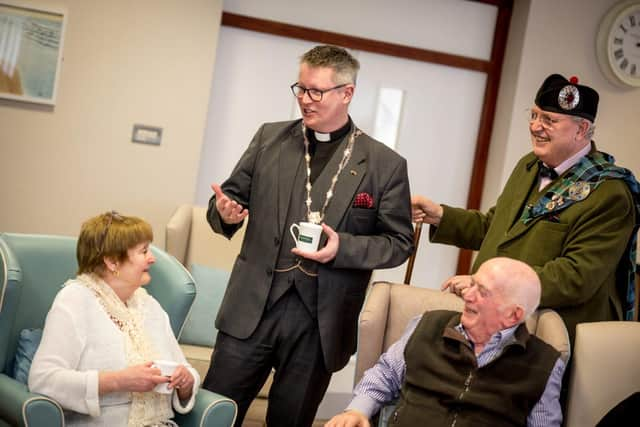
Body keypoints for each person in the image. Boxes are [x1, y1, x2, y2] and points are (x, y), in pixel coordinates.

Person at [202, 44, 414, 426]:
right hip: (252, 308)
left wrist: (343, 247)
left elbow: (399, 242)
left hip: (320, 322)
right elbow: (229, 200)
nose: (304, 100)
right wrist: (225, 212)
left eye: (316, 91)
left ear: (346, 93)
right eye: (300, 89)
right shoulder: (269, 139)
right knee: (214, 415)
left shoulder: (384, 165)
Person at [412, 73, 640, 345]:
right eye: (533, 115)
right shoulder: (528, 165)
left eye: (549, 120)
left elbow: (575, 277)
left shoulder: (610, 193)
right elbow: (497, 229)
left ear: (581, 130)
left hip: (550, 338)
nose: (535, 127)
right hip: (494, 323)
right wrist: (440, 216)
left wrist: (491, 288)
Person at [326, 257, 565, 427]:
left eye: (482, 291)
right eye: (471, 284)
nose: (467, 295)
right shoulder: (427, 325)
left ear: (513, 315)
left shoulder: (544, 364)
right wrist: (357, 410)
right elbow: (385, 374)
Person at [29, 211, 199, 426]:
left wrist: (185, 381)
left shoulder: (150, 306)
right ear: (112, 262)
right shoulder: (74, 300)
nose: (152, 258)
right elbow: (43, 380)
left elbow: (183, 368)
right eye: (144, 251)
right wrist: (120, 380)